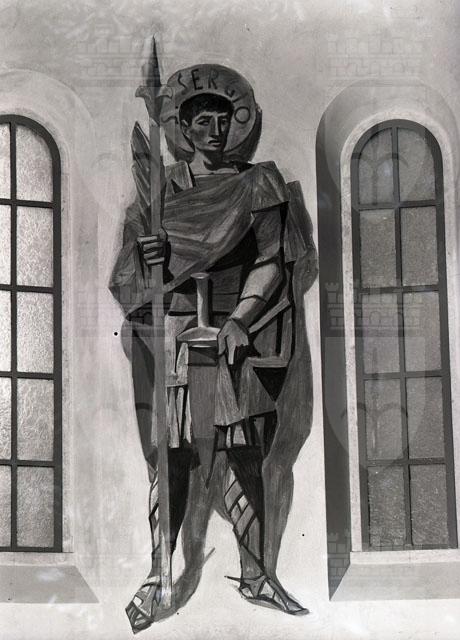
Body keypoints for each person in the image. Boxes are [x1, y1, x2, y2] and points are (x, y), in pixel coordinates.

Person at [110, 64, 315, 633]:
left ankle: (256, 574)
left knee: (243, 451)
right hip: (178, 335)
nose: (216, 130)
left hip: (236, 334)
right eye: (203, 121)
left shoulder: (259, 183)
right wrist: (151, 256)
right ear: (183, 128)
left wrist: (242, 319)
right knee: (173, 454)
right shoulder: (162, 191)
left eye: (224, 119)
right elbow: (136, 276)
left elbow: (272, 260)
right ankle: (158, 575)